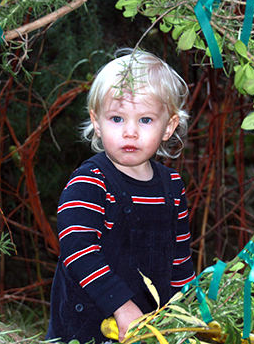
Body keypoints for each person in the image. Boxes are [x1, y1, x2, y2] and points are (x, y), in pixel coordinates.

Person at [46, 48, 196, 343]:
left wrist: (186, 309)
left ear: (169, 127)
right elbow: (78, 249)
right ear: (97, 122)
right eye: (117, 118)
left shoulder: (172, 186)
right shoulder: (90, 182)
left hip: (148, 326)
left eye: (145, 120)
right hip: (87, 326)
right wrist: (121, 306)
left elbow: (179, 259)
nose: (130, 132)